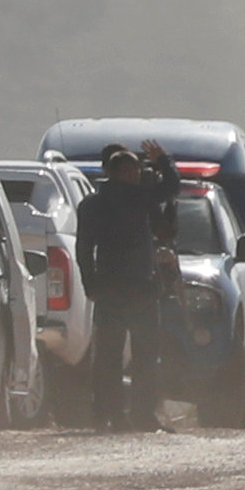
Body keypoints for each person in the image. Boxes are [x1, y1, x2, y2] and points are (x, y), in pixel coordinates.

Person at [76, 146, 170, 431]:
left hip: (115, 288)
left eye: (136, 171)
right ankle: (136, 414)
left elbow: (83, 248)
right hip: (133, 288)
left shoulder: (93, 203)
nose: (134, 176)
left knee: (110, 356)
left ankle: (111, 414)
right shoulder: (140, 199)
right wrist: (164, 162)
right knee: (139, 355)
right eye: (130, 172)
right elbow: (170, 188)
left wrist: (89, 281)